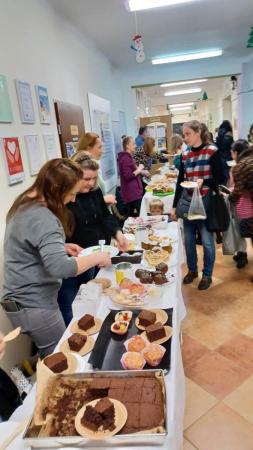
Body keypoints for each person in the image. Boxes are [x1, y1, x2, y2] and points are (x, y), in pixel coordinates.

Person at [2, 159, 111, 357]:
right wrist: (98, 256)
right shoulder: (44, 217)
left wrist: (60, 246)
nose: (73, 200)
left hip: (20, 302)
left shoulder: (26, 202)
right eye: (71, 194)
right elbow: (62, 268)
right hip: (34, 304)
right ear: (55, 188)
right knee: (59, 358)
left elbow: (29, 241)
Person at [57, 154, 127, 325]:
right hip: (71, 260)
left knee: (92, 296)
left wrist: (117, 232)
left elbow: (105, 217)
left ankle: (93, 327)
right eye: (86, 178)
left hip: (93, 255)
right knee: (70, 302)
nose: (90, 183)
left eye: (94, 178)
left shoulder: (95, 192)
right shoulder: (65, 198)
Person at [171, 120, 223, 290]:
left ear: (198, 132)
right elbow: (181, 181)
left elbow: (220, 179)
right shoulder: (185, 155)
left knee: (208, 242)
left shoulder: (212, 151)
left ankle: (207, 275)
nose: (185, 138)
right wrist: (173, 206)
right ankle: (192, 270)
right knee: (188, 240)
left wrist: (205, 181)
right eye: (184, 134)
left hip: (206, 203)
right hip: (187, 202)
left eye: (188, 134)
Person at [228, 140, 253, 268]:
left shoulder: (240, 167)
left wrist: (230, 198)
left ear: (236, 153)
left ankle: (242, 254)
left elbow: (238, 190)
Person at [76, 132, 116, 206]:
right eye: (99, 147)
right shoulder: (79, 170)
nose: (102, 151)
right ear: (88, 148)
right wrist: (103, 200)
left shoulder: (95, 167)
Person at [118, 136, 144, 217]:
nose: (135, 146)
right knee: (136, 217)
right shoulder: (125, 158)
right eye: (133, 144)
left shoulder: (128, 156)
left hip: (134, 193)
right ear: (127, 146)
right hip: (132, 194)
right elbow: (128, 176)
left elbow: (132, 171)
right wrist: (139, 169)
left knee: (134, 216)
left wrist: (141, 171)